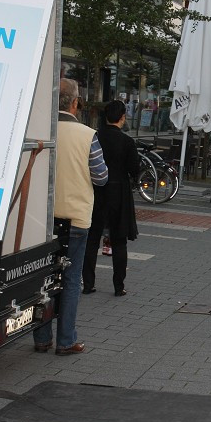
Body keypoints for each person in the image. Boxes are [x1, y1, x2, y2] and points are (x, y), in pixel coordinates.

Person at [34, 79, 108, 355]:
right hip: (76, 218)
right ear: (76, 103)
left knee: (42, 278)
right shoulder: (88, 135)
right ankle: (66, 340)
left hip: (40, 219)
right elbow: (101, 177)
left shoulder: (41, 130)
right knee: (71, 279)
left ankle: (41, 338)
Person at [83, 100, 139, 298]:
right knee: (119, 240)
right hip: (119, 194)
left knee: (91, 238)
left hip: (96, 192)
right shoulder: (127, 142)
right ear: (122, 117)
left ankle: (88, 283)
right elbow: (135, 169)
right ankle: (118, 286)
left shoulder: (94, 137)